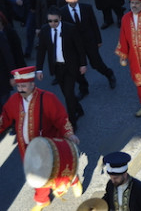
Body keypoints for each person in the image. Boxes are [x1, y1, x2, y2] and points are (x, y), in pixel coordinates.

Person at [0, 66, 81, 211]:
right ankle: (42, 200)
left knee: (58, 169)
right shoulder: (14, 100)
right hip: (27, 148)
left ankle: (73, 179)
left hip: (48, 146)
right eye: (18, 86)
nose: (20, 89)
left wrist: (69, 133)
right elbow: (4, 118)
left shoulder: (48, 98)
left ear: (32, 84)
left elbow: (61, 119)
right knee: (37, 174)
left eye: (23, 86)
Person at [35, 6, 87, 131]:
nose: (52, 23)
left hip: (70, 67)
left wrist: (83, 64)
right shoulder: (45, 30)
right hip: (57, 68)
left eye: (55, 21)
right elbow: (41, 50)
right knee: (66, 93)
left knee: (68, 95)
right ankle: (78, 109)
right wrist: (39, 69)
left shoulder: (70, 29)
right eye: (50, 21)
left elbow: (79, 48)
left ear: (60, 19)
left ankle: (72, 123)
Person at [61, 0, 117, 89]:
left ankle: (109, 74)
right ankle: (83, 88)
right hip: (74, 45)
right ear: (66, 0)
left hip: (89, 41)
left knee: (96, 63)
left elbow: (94, 25)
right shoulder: (63, 12)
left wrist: (98, 40)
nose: (73, 1)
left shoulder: (86, 8)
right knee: (77, 67)